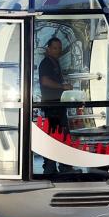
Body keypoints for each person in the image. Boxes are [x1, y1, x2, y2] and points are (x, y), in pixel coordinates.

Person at [38, 37, 73, 174]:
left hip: (57, 105)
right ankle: (53, 166)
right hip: (52, 105)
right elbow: (45, 81)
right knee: (57, 135)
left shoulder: (54, 62)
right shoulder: (46, 63)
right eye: (55, 48)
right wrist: (62, 86)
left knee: (60, 135)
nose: (58, 51)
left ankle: (59, 165)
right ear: (48, 49)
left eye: (59, 48)